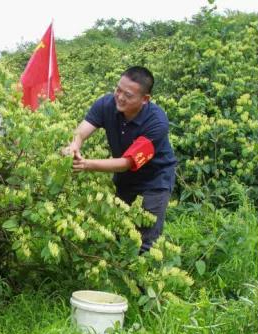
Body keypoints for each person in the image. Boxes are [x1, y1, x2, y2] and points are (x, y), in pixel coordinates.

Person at [64, 66, 177, 253]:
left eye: (128, 95)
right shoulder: (106, 104)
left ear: (145, 99)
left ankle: (146, 281)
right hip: (125, 180)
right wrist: (74, 145)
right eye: (118, 89)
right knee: (119, 230)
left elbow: (127, 163)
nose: (120, 97)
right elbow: (82, 131)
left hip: (154, 181)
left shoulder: (156, 122)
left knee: (145, 241)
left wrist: (87, 164)